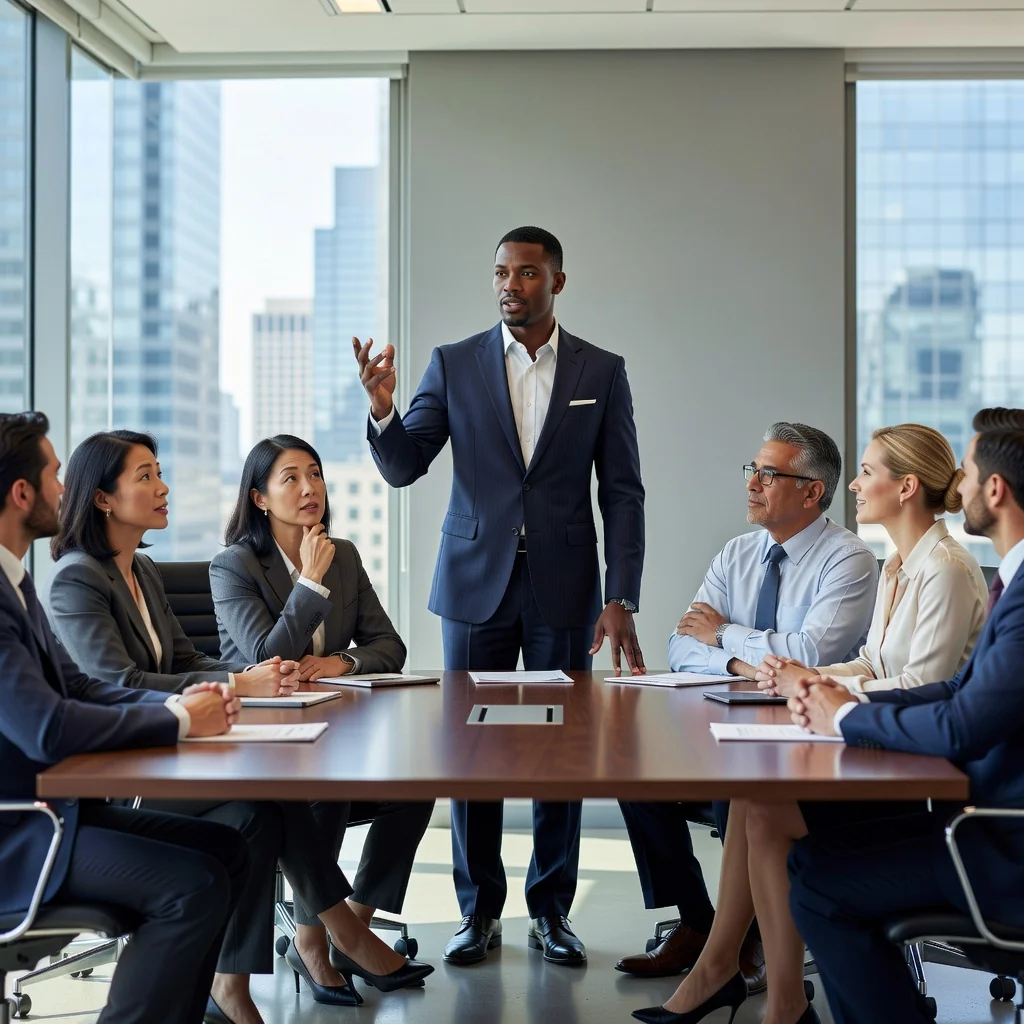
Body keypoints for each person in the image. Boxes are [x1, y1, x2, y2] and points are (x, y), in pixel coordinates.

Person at [47, 429, 432, 1021]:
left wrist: (247, 675)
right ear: (103, 498)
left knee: (254, 815)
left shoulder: (141, 572)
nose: (163, 485)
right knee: (268, 792)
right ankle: (340, 932)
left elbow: (187, 660)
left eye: (159, 472)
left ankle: (231, 986)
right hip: (124, 780)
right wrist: (239, 683)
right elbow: (117, 686)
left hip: (174, 757)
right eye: (146, 476)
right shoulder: (77, 578)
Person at [353, 225, 646, 967]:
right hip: (474, 585)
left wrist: (623, 596)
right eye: (499, 274)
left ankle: (551, 912)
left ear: (557, 280)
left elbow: (622, 493)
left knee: (562, 753)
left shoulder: (601, 371)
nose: (509, 285)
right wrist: (384, 409)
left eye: (525, 273)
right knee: (470, 751)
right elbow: (403, 467)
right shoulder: (453, 365)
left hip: (567, 589)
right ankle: (477, 912)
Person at [631, 423, 987, 1024]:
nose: (855, 484)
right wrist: (799, 673)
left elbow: (924, 690)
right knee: (753, 797)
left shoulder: (943, 568)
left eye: (868, 472)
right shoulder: (900, 563)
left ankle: (768, 994)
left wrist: (814, 682)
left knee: (764, 806)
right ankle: (741, 979)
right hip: (879, 742)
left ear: (905, 488)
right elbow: (873, 664)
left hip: (914, 772)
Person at [0, 410, 250, 1024]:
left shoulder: (17, 583)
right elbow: (49, 727)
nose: (65, 489)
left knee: (227, 850)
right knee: (191, 886)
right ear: (21, 493)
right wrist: (180, 722)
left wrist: (185, 705)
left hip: (62, 814)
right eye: (55, 475)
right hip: (21, 835)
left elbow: (83, 686)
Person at [782, 409, 1024, 1024]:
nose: (960, 487)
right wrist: (830, 697)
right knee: (807, 858)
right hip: (977, 815)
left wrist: (845, 717)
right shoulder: (1008, 586)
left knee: (817, 888)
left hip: (997, 839)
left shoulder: (993, 586)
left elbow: (959, 718)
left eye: (969, 474)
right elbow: (956, 690)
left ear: (996, 490)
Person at [617, 422, 878, 992]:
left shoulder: (849, 560)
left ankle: (752, 937)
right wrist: (740, 662)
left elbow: (809, 656)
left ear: (812, 491)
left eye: (769, 473)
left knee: (741, 786)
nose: (752, 484)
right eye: (752, 470)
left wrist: (726, 636)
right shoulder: (737, 553)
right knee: (634, 775)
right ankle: (697, 921)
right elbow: (681, 644)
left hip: (802, 735)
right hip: (723, 716)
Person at [210, 433, 433, 986]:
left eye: (316, 473)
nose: (310, 488)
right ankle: (313, 944)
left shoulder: (346, 555)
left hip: (331, 724)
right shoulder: (233, 566)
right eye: (291, 478)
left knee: (419, 782)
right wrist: (308, 581)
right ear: (260, 498)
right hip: (258, 745)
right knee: (325, 785)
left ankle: (350, 924)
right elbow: (267, 656)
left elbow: (391, 648)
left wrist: (342, 662)